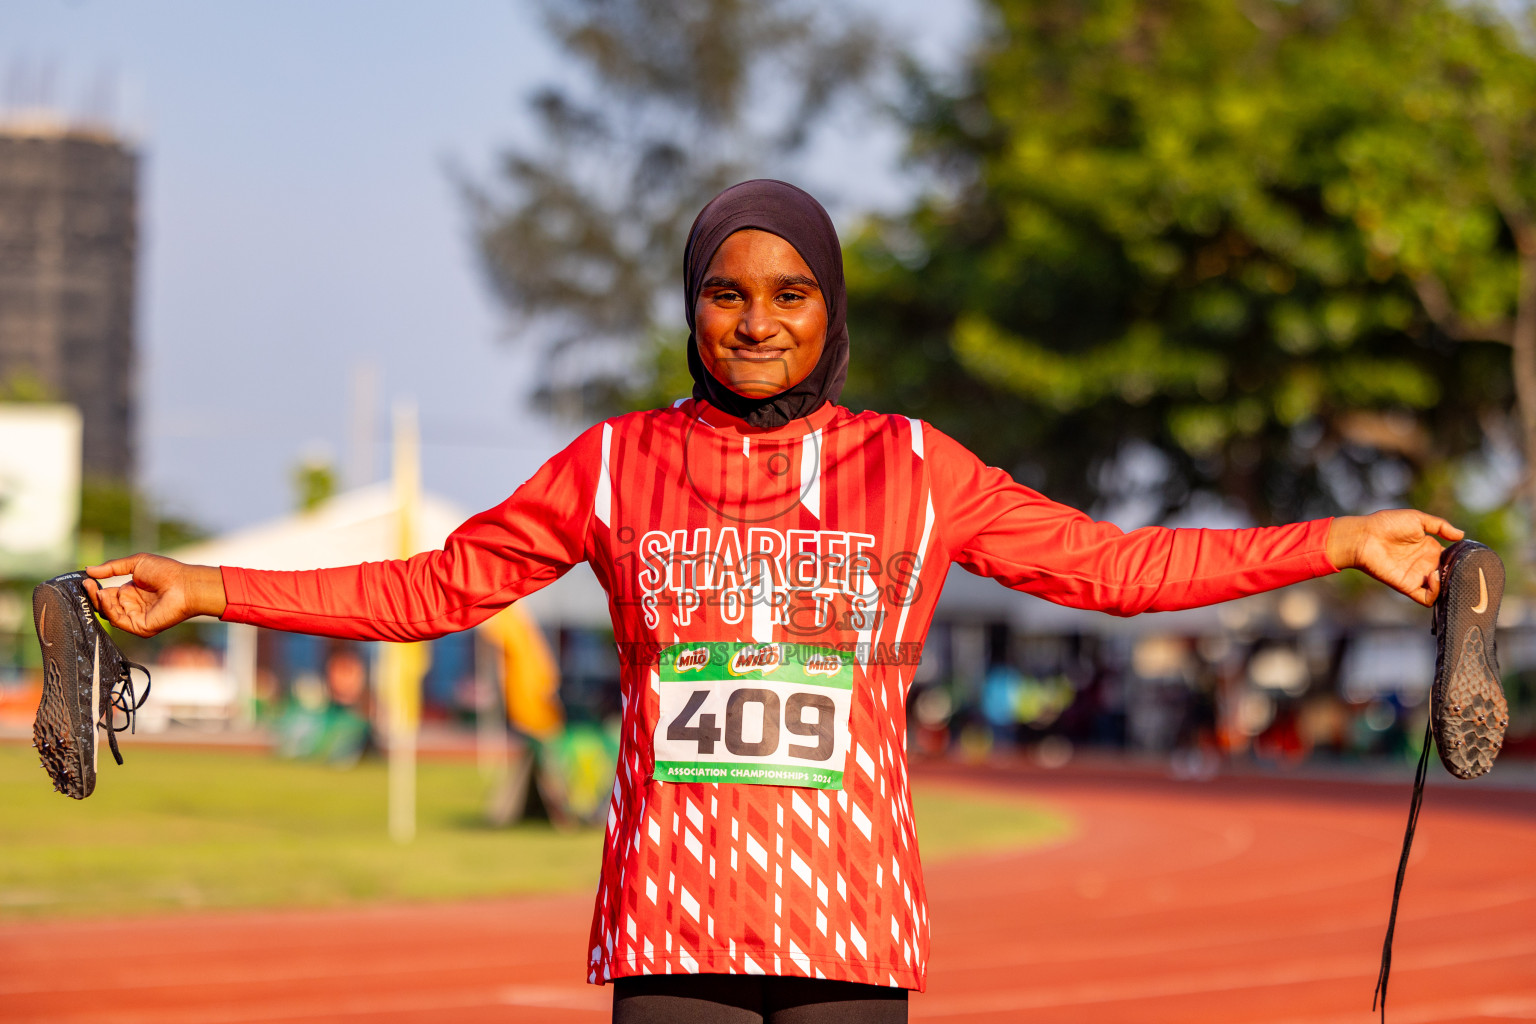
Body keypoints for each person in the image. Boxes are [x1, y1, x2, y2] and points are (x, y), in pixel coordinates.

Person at [85, 180, 1461, 1024]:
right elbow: (437, 588)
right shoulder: (614, 463)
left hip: (851, 935)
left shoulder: (917, 468)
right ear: (692, 310)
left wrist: (1337, 537)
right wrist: (207, 586)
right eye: (727, 295)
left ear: (830, 306)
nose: (757, 322)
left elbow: (1113, 566)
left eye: (790, 294)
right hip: (666, 929)